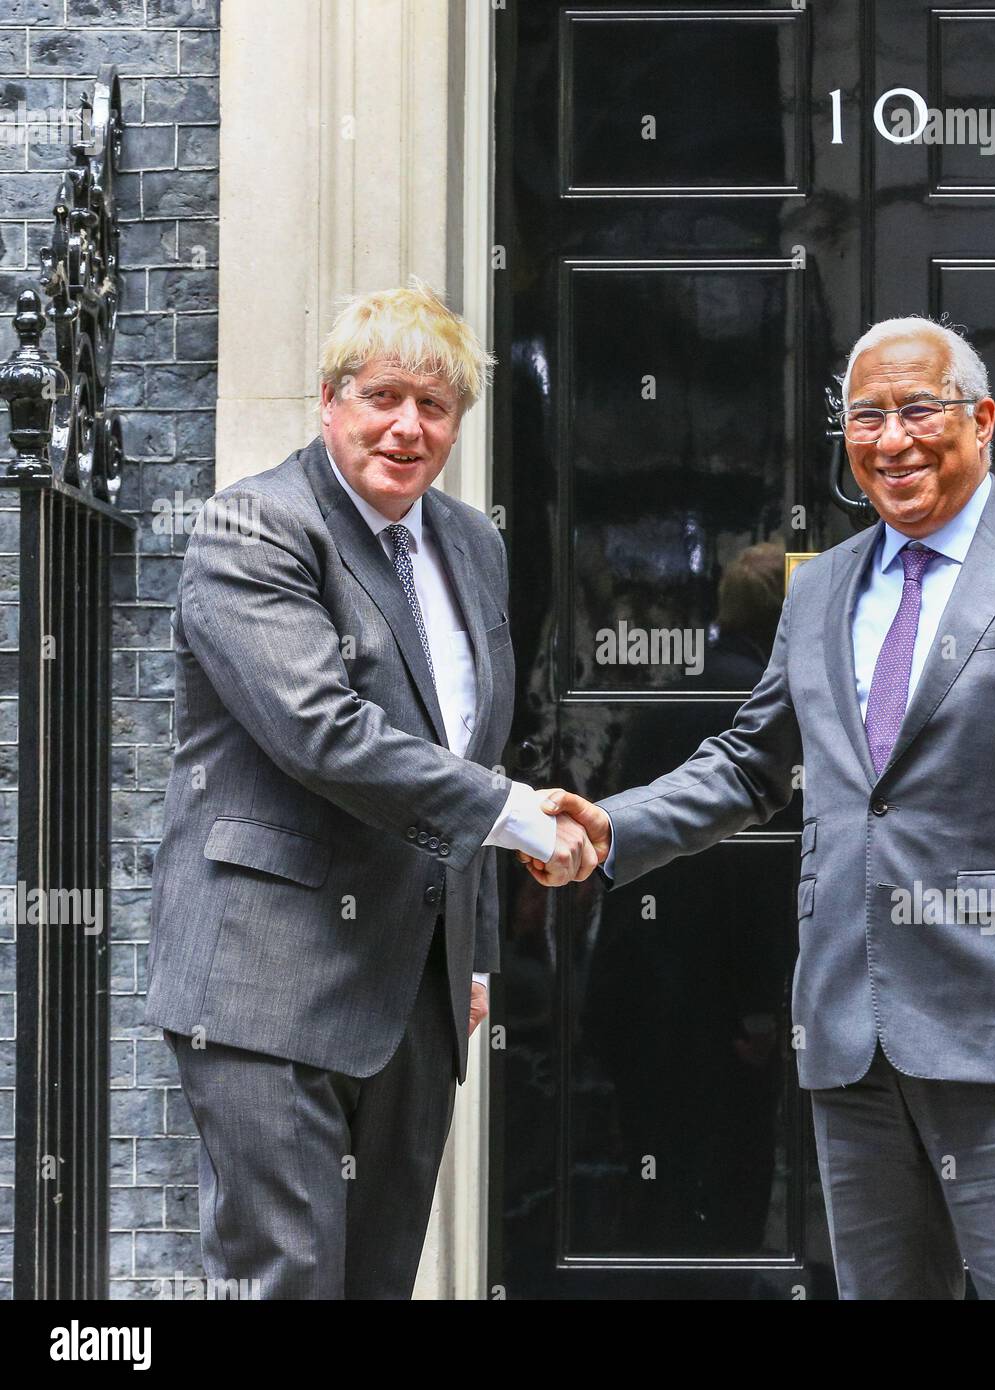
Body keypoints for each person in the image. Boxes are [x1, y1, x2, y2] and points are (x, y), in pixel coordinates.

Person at [525, 316, 995, 1300]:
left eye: (919, 408)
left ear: (983, 419)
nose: (892, 439)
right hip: (850, 1026)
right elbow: (750, 762)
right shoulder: (819, 589)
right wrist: (611, 824)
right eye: (867, 416)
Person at [144, 278, 597, 1299]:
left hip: (413, 988)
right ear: (329, 401)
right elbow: (322, 731)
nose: (406, 426)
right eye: (382, 396)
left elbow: (470, 740)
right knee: (292, 1279)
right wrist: (518, 813)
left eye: (433, 407)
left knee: (374, 1281)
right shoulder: (253, 529)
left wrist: (473, 951)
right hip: (267, 982)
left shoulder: (471, 543)